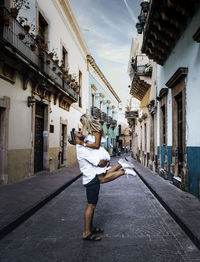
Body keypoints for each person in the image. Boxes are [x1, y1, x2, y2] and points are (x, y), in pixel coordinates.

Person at [73, 114, 136, 241]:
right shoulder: (81, 148)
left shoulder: (85, 142)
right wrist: (104, 161)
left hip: (91, 175)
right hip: (90, 178)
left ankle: (91, 228)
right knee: (91, 205)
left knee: (102, 181)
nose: (80, 132)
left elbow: (96, 151)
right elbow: (99, 162)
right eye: (78, 133)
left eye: (80, 130)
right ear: (76, 139)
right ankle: (86, 232)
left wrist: (104, 161)